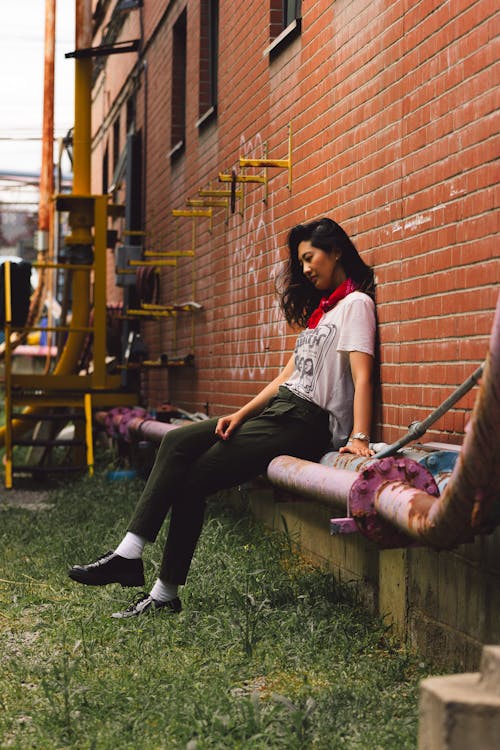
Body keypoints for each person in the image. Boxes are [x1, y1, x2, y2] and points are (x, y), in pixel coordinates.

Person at [68, 217, 377, 618]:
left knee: (191, 473)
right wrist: (239, 414)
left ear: (335, 251)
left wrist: (361, 435)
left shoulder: (357, 305)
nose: (304, 268)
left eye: (309, 258)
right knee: (179, 446)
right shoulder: (322, 311)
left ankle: (141, 571)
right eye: (300, 261)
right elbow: (286, 377)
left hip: (306, 420)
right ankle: (152, 581)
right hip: (281, 409)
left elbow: (363, 375)